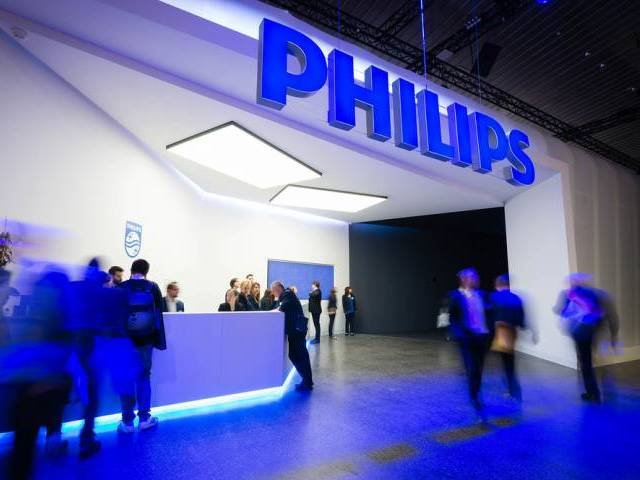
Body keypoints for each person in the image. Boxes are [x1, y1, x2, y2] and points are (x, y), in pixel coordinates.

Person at [117, 259, 165, 433]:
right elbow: (159, 312)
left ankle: (127, 422)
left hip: (125, 342)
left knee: (126, 378)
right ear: (147, 271)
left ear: (131, 270)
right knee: (144, 377)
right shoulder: (153, 287)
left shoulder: (121, 287)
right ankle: (144, 419)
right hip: (146, 340)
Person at [554, 273, 618, 403]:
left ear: (572, 282)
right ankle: (607, 386)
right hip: (598, 332)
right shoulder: (599, 293)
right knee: (599, 360)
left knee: (586, 363)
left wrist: (562, 309)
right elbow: (612, 315)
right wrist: (614, 334)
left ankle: (592, 393)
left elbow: (560, 310)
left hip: (581, 334)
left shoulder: (568, 294)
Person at [444, 268, 490, 421]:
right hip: (466, 339)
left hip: (482, 336)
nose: (475, 279)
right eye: (472, 277)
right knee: (471, 368)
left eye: (476, 277)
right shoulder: (454, 296)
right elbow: (452, 318)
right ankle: (474, 397)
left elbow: (489, 312)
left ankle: (476, 392)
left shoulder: (482, 294)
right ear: (463, 280)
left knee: (479, 368)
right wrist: (459, 334)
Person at [488, 274, 533, 402]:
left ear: (497, 285)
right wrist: (523, 327)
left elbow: (489, 316)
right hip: (512, 333)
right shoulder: (516, 298)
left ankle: (512, 389)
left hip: (500, 333)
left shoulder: (494, 297)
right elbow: (521, 318)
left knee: (505, 363)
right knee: (510, 361)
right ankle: (513, 389)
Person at [271, 281, 313, 391]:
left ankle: (307, 381)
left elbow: (282, 307)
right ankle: (307, 380)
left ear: (278, 289)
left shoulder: (287, 294)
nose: (273, 293)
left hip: (296, 330)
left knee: (298, 355)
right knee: (297, 355)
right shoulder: (287, 294)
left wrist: (272, 311)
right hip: (297, 330)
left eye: (273, 291)